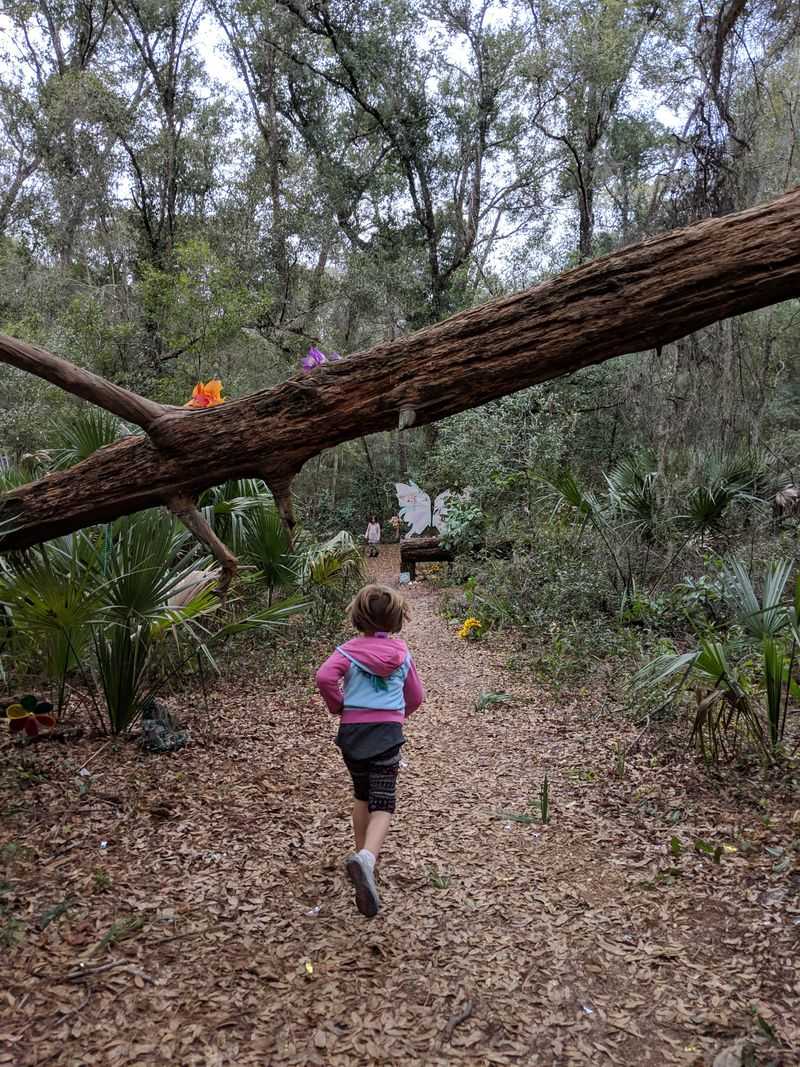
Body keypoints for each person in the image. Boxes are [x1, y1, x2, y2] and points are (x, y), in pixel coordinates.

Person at [315, 584, 425, 917]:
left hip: (353, 733)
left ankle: (363, 859)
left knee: (362, 794)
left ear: (358, 616)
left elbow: (324, 677)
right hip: (387, 734)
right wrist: (397, 716)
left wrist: (339, 706)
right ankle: (366, 859)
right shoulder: (401, 653)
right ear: (395, 619)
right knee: (384, 802)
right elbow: (416, 697)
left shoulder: (347, 651)